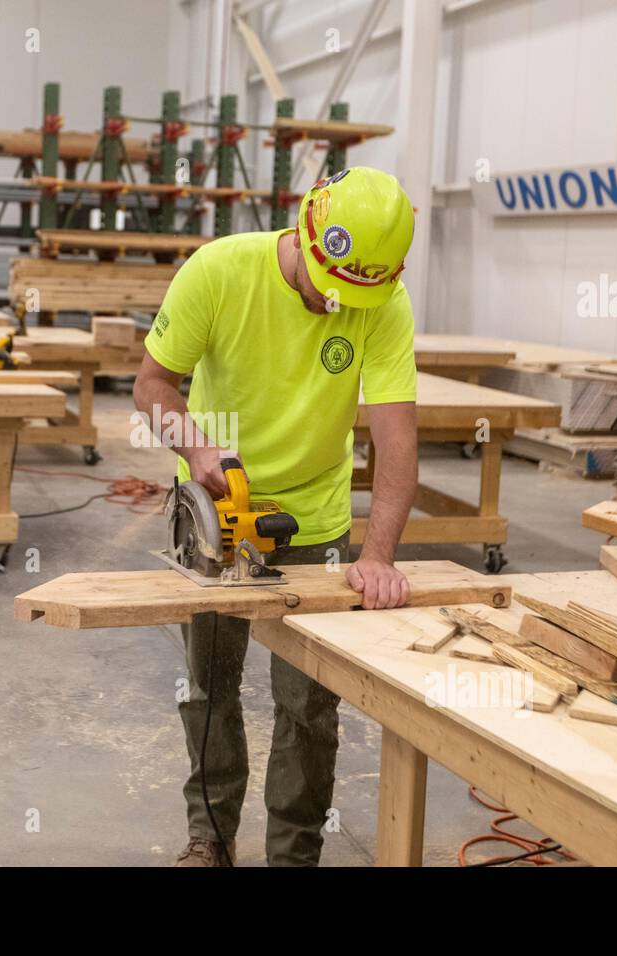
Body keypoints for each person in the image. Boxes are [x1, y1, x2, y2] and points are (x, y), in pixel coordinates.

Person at [132, 166, 420, 867]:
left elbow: (397, 442)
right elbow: (151, 385)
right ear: (308, 235)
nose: (338, 304)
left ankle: (294, 855)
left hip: (317, 518)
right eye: (331, 287)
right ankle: (210, 837)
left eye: (355, 295)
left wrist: (376, 556)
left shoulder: (381, 300)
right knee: (210, 688)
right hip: (215, 513)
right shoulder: (218, 272)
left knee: (309, 705)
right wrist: (197, 447)